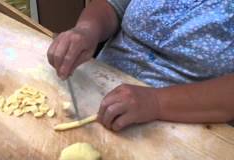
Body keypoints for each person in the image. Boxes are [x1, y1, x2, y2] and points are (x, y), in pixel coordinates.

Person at [47, 0, 234, 131]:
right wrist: (86, 29)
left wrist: (156, 103)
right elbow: (112, 5)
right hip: (97, 84)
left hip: (183, 119)